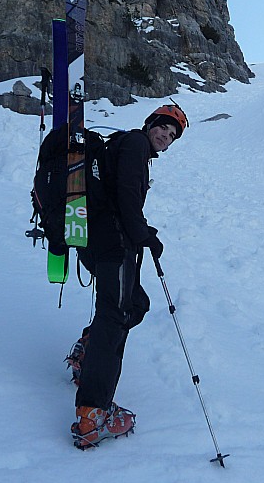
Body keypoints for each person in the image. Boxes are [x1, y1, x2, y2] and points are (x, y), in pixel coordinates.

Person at [70, 103, 189, 450]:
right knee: (117, 314)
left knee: (134, 303)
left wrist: (141, 232)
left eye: (171, 136)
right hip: (113, 242)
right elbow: (125, 196)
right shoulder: (136, 144)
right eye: (163, 129)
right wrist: (142, 235)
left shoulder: (126, 145)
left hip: (101, 239)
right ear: (151, 123)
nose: (164, 137)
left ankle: (87, 354)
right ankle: (93, 416)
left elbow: (119, 195)